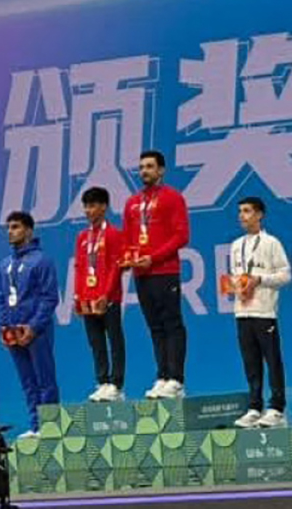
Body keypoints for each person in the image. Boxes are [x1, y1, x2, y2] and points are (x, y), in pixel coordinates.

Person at [123, 150, 190, 399]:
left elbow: (181, 236)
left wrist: (154, 257)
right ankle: (162, 376)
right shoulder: (132, 203)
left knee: (172, 323)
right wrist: (129, 258)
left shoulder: (173, 198)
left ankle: (176, 379)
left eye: (150, 166)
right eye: (141, 167)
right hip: (141, 274)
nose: (144, 171)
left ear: (161, 170)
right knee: (154, 326)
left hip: (165, 271)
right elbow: (128, 238)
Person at [228, 197, 291, 429]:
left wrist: (260, 280)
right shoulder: (236, 245)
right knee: (250, 362)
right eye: (240, 211)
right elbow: (235, 276)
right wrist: (236, 287)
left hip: (265, 312)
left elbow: (285, 275)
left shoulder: (271, 243)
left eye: (246, 211)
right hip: (242, 311)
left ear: (259, 214)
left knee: (272, 360)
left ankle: (277, 408)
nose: (241, 216)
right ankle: (255, 407)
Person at [0, 211, 60, 439]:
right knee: (27, 382)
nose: (10, 232)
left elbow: (49, 298)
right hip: (13, 332)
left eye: (15, 227)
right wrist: (3, 326)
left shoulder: (41, 260)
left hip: (36, 331)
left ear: (29, 231)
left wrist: (33, 327)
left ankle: (49, 427)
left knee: (44, 380)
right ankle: (35, 426)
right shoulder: (4, 264)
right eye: (8, 227)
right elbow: (1, 298)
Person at [73, 187, 126, 403]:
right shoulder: (82, 237)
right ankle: (102, 382)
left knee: (114, 340)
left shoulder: (114, 234)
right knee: (96, 342)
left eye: (93, 206)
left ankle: (116, 385)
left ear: (104, 207)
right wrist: (77, 296)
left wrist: (106, 294)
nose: (88, 210)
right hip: (88, 299)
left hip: (109, 297)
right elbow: (79, 267)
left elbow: (116, 267)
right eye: (86, 206)